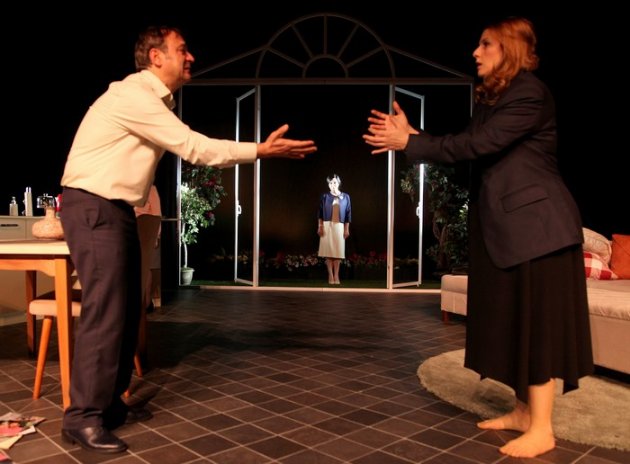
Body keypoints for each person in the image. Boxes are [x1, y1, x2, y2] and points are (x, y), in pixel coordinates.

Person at [59, 25, 316, 455]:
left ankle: (108, 406)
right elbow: (195, 147)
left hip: (115, 208)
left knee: (128, 311)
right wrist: (259, 151)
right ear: (156, 57)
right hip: (95, 205)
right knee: (106, 313)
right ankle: (82, 417)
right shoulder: (134, 95)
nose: (191, 56)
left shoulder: (153, 100)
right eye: (182, 49)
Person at [363, 17, 592, 459]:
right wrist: (415, 137)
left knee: (537, 330)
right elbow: (469, 144)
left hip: (539, 229)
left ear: (509, 48)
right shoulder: (495, 100)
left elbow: (476, 146)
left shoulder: (530, 93)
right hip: (513, 230)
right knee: (518, 323)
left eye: (486, 44)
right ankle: (523, 412)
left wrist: (410, 142)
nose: (476, 52)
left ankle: (542, 428)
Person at [317, 174, 351, 284]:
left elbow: (348, 214)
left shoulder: (346, 197)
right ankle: (330, 276)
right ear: (328, 185)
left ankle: (336, 275)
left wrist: (346, 229)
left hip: (339, 226)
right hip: (327, 225)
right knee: (328, 252)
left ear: (339, 183)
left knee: (338, 252)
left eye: (335, 182)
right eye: (330, 183)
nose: (333, 184)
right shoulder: (324, 196)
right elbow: (320, 213)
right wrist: (320, 226)